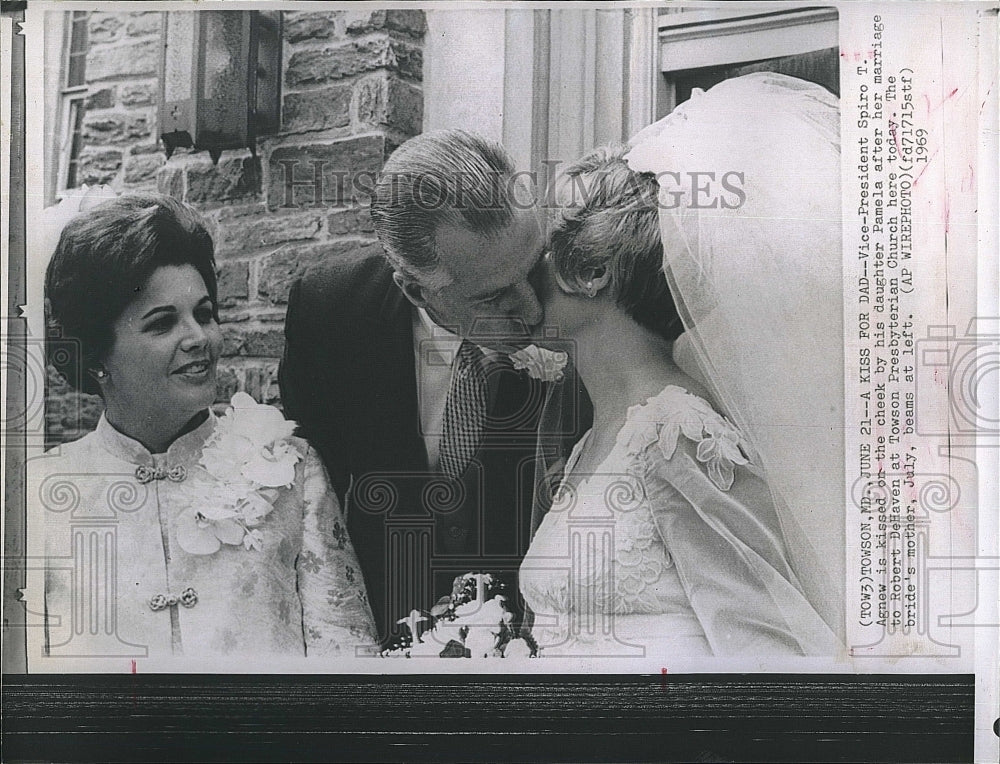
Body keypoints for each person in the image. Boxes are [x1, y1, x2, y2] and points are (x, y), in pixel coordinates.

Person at [520, 73, 843, 656]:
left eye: (537, 257)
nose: (519, 281)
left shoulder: (681, 434)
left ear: (590, 272)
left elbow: (769, 654)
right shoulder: (591, 441)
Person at [280, 130, 591, 642]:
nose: (533, 310)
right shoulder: (330, 312)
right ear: (415, 289)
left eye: (530, 271)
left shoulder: (576, 301)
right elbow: (316, 495)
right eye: (493, 297)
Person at [37, 193, 377, 660]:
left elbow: (346, 653)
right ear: (96, 356)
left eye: (203, 314)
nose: (199, 339)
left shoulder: (290, 471)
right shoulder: (37, 495)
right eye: (162, 324)